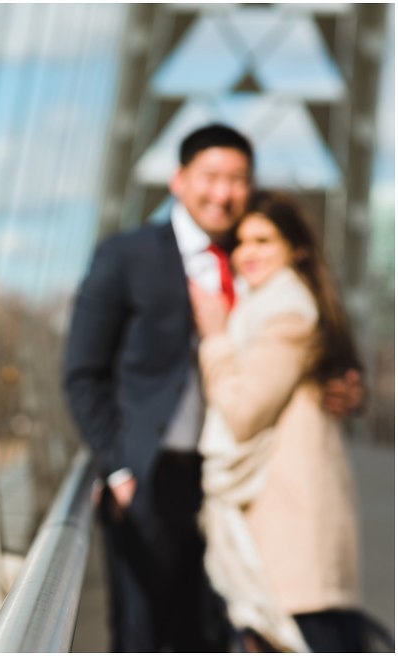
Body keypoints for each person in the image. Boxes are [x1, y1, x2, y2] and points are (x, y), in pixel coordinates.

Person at [62, 123, 364, 652]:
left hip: (237, 490)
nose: (223, 193)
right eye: (210, 177)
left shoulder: (254, 254)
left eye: (237, 179)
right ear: (179, 180)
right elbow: (83, 372)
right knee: (143, 638)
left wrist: (341, 382)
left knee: (218, 636)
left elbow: (303, 335)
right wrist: (117, 467)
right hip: (149, 481)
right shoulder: (126, 256)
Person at [190, 190, 363, 652]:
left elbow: (244, 412)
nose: (248, 253)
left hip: (289, 520)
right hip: (284, 514)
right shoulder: (269, 306)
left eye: (264, 240)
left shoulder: (285, 310)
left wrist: (214, 339)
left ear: (296, 248)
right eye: (241, 243)